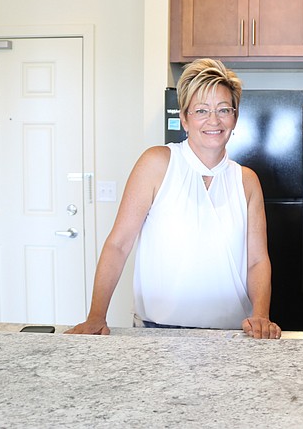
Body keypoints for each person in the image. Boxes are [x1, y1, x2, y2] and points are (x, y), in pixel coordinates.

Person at [66, 58, 281, 339]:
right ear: (184, 118)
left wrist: (261, 316)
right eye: (201, 110)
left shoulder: (247, 181)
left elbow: (257, 261)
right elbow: (118, 245)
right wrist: (96, 316)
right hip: (158, 333)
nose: (213, 120)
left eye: (223, 110)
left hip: (231, 335)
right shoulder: (156, 164)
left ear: (235, 118)